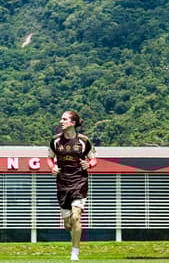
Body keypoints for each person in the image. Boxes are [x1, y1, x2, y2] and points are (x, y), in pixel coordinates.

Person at [47, 111, 97, 261]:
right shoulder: (55, 141)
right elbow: (49, 159)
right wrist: (52, 167)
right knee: (68, 223)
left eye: (64, 119)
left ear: (73, 123)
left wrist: (88, 164)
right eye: (61, 119)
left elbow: (94, 160)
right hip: (62, 184)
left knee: (76, 217)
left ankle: (75, 253)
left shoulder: (84, 141)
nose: (61, 121)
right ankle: (69, 228)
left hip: (79, 182)